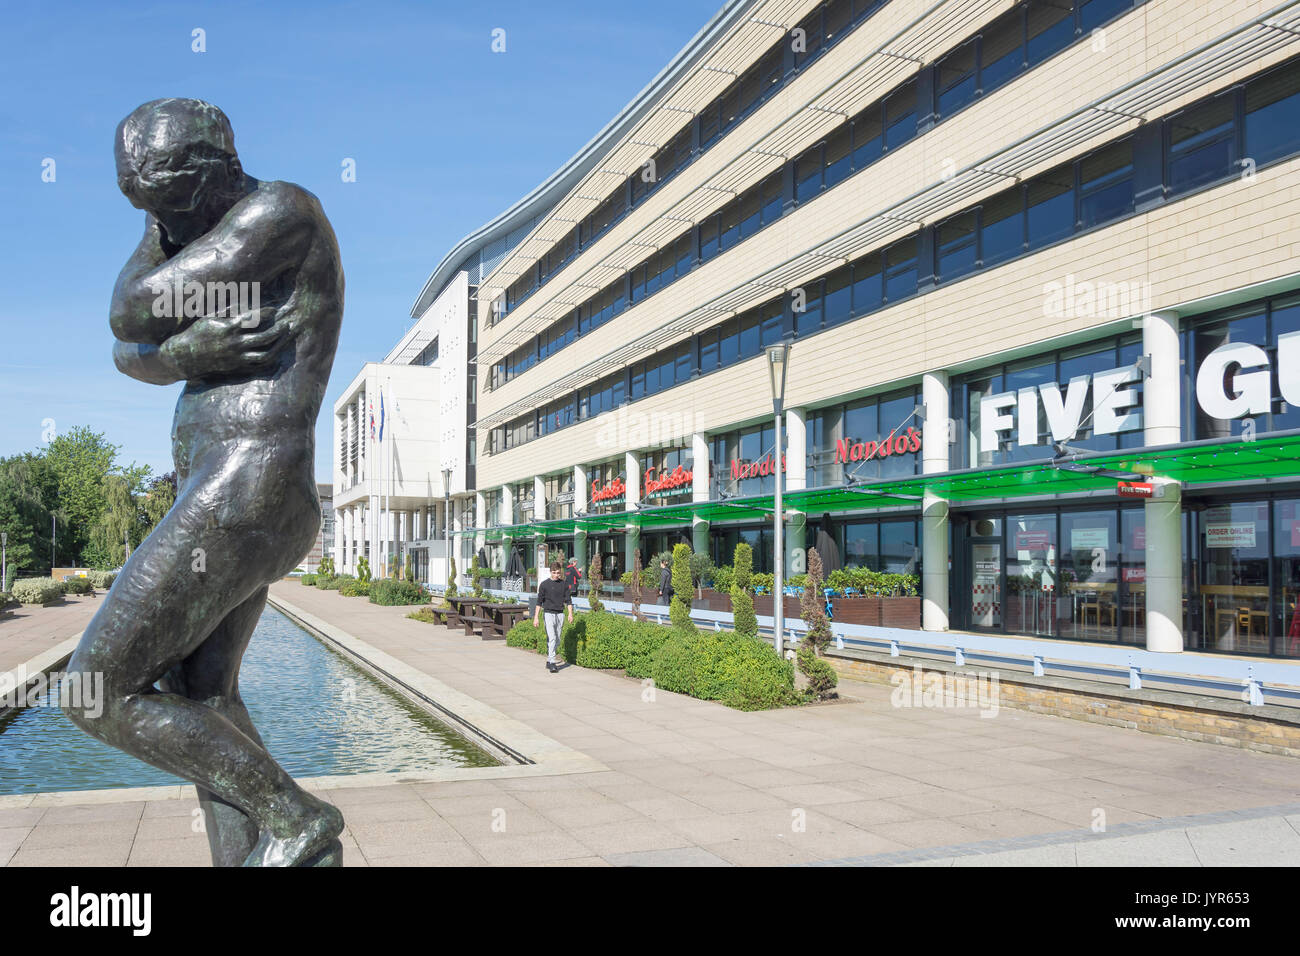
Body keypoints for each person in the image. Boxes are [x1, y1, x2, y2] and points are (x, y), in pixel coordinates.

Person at [63, 98, 344, 868]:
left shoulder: (278, 213)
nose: (154, 220)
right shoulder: (179, 221)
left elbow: (129, 310)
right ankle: (252, 854)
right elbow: (131, 349)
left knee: (94, 690)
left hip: (251, 485)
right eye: (139, 203)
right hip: (225, 487)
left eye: (164, 200)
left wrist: (161, 339)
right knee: (201, 698)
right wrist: (188, 354)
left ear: (216, 170)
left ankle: (297, 819)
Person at [533, 560, 573, 673]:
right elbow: (539, 602)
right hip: (548, 613)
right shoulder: (544, 584)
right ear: (550, 572)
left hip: (560, 614)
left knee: (558, 640)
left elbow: (569, 600)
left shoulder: (564, 584)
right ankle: (552, 662)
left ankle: (549, 659)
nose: (556, 575)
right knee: (552, 638)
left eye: (558, 573)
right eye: (554, 572)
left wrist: (570, 614)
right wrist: (536, 617)